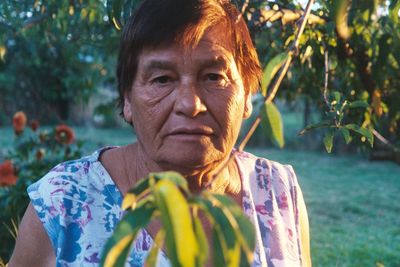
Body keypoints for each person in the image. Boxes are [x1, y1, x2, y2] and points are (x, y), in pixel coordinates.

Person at [9, 0, 311, 266]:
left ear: (247, 95)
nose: (189, 104)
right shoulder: (64, 204)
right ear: (127, 100)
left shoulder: (278, 191)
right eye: (162, 79)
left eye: (214, 76)